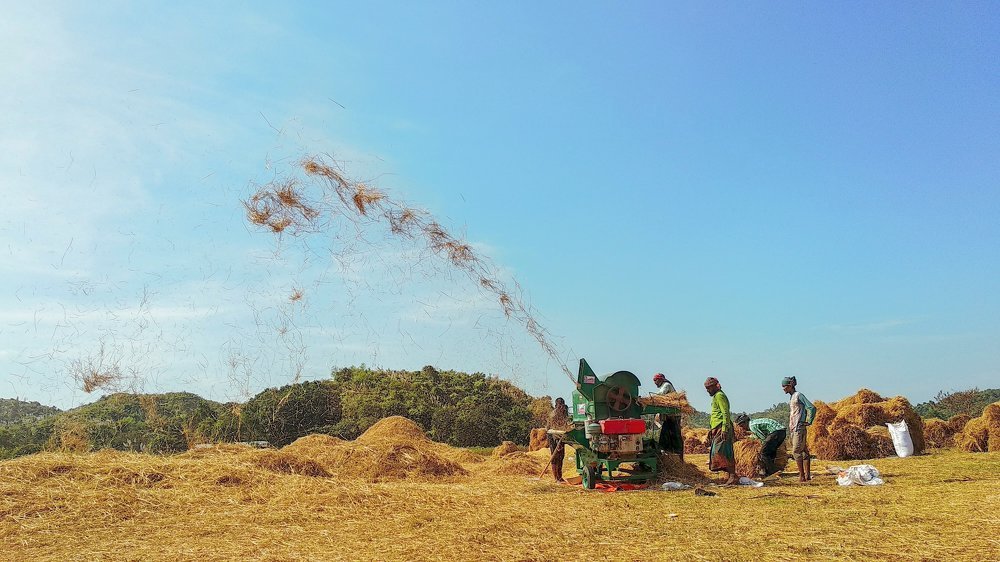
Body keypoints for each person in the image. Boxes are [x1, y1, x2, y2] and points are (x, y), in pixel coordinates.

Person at [782, 376, 817, 482]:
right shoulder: (792, 397)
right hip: (794, 428)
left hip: (799, 427)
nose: (783, 388)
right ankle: (807, 475)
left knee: (796, 451)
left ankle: (802, 476)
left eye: (784, 386)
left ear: (790, 385)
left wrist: (809, 421)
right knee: (804, 451)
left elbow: (811, 407)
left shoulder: (798, 395)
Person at [704, 377, 737, 485]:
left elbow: (725, 413)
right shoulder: (715, 397)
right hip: (717, 428)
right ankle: (731, 476)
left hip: (723, 429)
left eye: (709, 388)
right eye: (706, 388)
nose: (707, 390)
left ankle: (732, 476)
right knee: (718, 452)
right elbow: (715, 415)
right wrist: (711, 429)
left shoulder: (720, 396)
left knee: (720, 452)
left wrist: (724, 429)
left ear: (714, 386)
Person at [734, 413, 787, 478]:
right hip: (782, 432)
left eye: (741, 426)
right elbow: (759, 435)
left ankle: (772, 473)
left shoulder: (752, 426)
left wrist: (758, 448)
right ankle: (771, 471)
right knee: (771, 453)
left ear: (745, 422)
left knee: (763, 453)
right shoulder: (754, 424)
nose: (742, 428)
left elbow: (762, 438)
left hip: (776, 432)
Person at [546, 397, 571, 482]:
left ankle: (560, 476)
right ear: (556, 405)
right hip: (552, 435)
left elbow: (566, 423)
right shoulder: (553, 414)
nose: (561, 407)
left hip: (561, 435)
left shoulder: (564, 412)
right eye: (560, 405)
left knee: (561, 456)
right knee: (555, 457)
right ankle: (555, 477)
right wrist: (557, 442)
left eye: (562, 405)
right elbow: (553, 428)